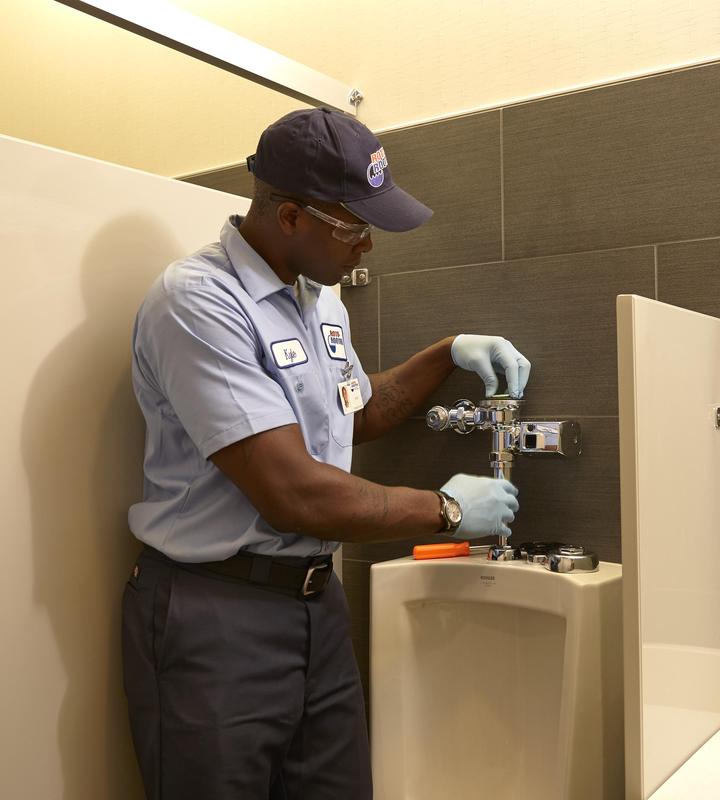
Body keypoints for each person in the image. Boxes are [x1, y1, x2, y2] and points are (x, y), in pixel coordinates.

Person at [122, 106, 531, 800]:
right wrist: (447, 509)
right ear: (288, 217)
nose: (367, 246)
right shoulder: (198, 303)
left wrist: (447, 353)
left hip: (316, 607)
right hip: (218, 616)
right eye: (354, 227)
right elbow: (294, 492)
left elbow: (353, 411)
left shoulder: (321, 302)